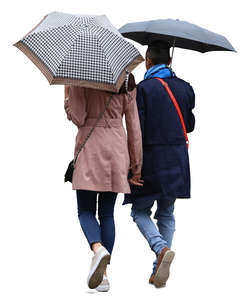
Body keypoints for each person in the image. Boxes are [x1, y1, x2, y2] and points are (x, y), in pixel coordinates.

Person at [124, 41, 195, 288]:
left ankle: (160, 248)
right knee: (166, 212)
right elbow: (190, 125)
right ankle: (158, 270)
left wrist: (133, 167)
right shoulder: (186, 89)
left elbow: (136, 131)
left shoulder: (142, 89)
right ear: (170, 61)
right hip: (177, 160)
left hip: (150, 161)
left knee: (139, 211)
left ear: (148, 62)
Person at [64, 74, 143, 292]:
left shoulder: (81, 78)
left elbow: (78, 117)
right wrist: (136, 166)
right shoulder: (126, 80)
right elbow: (134, 127)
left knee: (85, 211)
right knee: (107, 214)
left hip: (91, 150)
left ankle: (98, 249)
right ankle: (104, 276)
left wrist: (67, 97)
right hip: (117, 152)